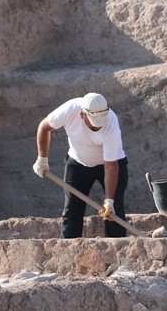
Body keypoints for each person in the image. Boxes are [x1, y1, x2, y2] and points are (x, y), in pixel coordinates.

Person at [33, 92, 129, 239]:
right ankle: (69, 250)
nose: (98, 128)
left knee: (114, 212)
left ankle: (117, 252)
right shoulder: (69, 110)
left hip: (109, 166)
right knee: (72, 210)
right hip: (78, 163)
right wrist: (42, 159)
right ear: (82, 115)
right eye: (94, 123)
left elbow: (110, 166)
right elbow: (44, 127)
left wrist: (109, 201)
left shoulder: (111, 122)